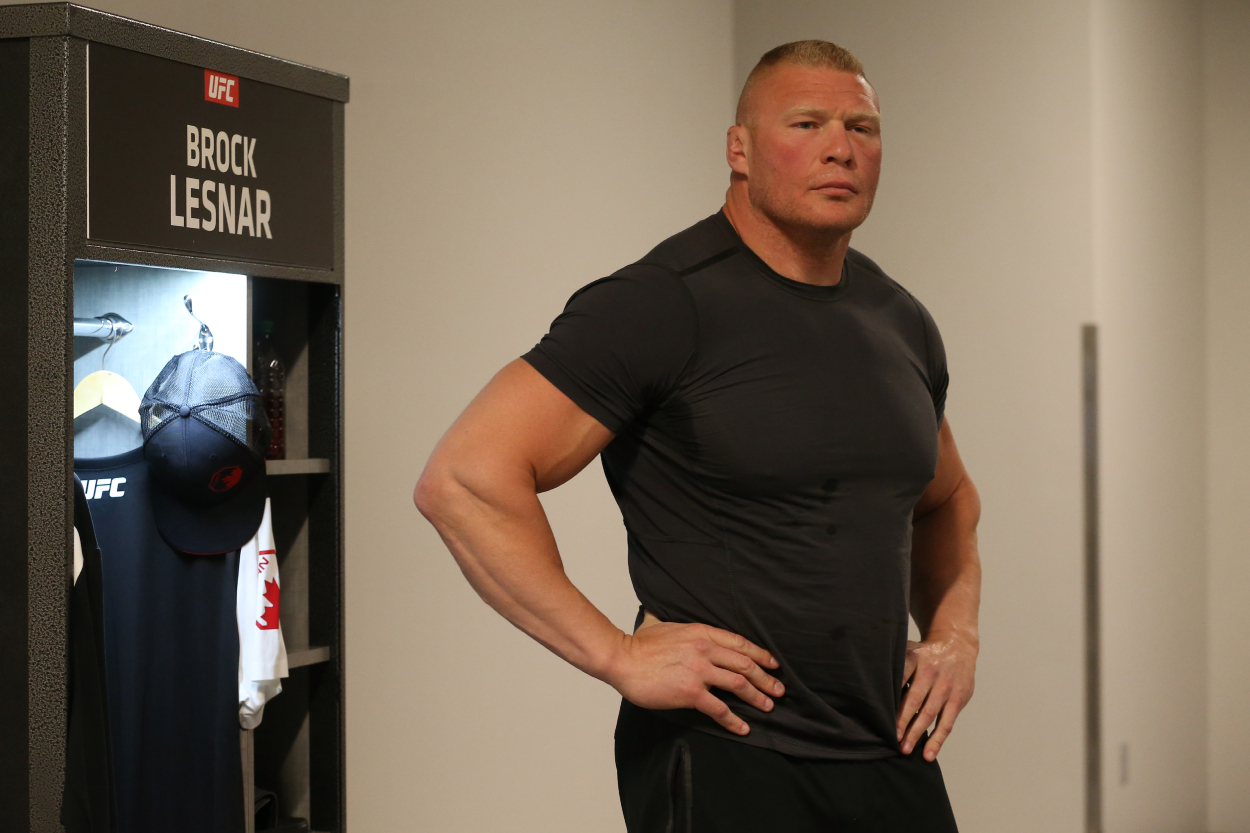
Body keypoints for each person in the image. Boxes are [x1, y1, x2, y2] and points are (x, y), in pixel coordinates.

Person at [415, 39, 981, 832]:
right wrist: (616, 653)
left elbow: (947, 498)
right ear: (739, 148)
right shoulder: (661, 303)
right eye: (807, 122)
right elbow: (464, 480)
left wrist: (955, 634)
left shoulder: (901, 320)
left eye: (863, 126)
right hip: (727, 752)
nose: (840, 147)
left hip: (887, 749)